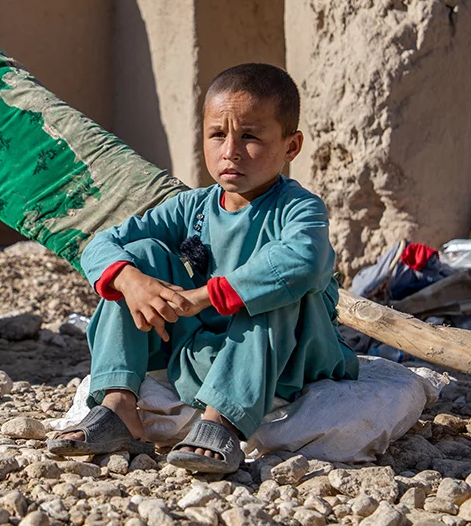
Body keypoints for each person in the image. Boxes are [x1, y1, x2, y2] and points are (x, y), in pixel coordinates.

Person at [47, 63, 359, 474]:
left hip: (289, 357)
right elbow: (101, 244)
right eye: (217, 134)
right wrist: (132, 280)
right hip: (202, 350)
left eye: (249, 136)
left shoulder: (299, 208)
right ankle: (119, 404)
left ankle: (222, 421)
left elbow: (303, 261)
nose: (229, 151)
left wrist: (205, 296)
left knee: (274, 291)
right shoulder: (192, 206)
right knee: (136, 255)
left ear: (291, 145)